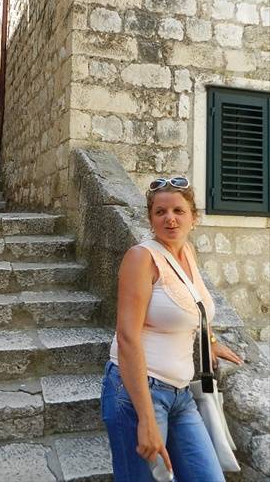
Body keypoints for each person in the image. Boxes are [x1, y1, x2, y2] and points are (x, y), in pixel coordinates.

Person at [101, 176, 243, 482]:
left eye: (178, 210)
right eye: (160, 212)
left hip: (181, 393)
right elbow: (127, 337)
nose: (170, 219)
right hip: (139, 392)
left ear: (194, 216)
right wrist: (146, 419)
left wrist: (210, 340)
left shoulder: (187, 252)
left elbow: (194, 306)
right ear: (150, 218)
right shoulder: (141, 258)